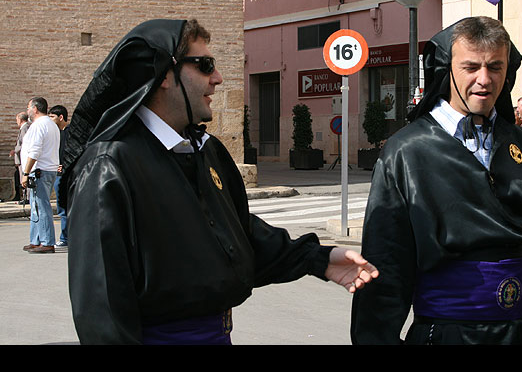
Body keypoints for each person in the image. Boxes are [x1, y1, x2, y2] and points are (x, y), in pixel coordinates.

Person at [60, 18, 378, 345]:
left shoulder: (206, 150)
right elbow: (101, 308)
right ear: (164, 75)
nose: (218, 79)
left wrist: (319, 258)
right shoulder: (108, 165)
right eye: (205, 65)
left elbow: (238, 235)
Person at [351, 16, 522, 345]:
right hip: (447, 334)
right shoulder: (407, 151)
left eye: (495, 67)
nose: (484, 79)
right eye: (471, 67)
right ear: (447, 70)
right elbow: (386, 261)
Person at [21, 97, 60, 254]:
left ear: (35, 109)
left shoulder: (39, 125)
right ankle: (36, 239)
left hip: (39, 170)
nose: (28, 110)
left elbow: (35, 151)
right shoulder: (51, 125)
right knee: (36, 207)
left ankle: (46, 241)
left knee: (41, 206)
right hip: (47, 169)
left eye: (29, 107)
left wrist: (25, 173)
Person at [48, 105, 69, 250]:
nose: (50, 120)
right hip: (59, 173)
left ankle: (65, 238)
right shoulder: (58, 133)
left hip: (65, 175)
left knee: (64, 209)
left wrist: (64, 165)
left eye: (52, 117)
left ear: (60, 117)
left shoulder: (70, 133)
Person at [9, 112, 30, 203]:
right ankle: (24, 197)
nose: (16, 121)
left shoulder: (25, 128)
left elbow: (25, 143)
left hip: (23, 159)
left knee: (24, 178)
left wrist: (15, 150)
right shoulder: (23, 128)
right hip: (21, 159)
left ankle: (27, 198)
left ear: (21, 120)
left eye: (17, 119)